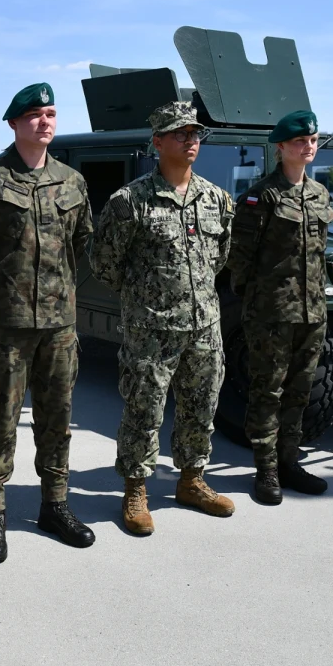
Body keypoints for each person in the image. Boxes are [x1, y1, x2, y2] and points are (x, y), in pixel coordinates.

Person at [0, 82, 95, 564]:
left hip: (59, 326)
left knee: (57, 421)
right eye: (33, 114)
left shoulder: (72, 183)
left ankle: (55, 504)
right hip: (5, 325)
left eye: (50, 113)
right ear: (14, 123)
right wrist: (2, 289)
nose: (44, 121)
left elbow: (83, 250)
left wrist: (58, 294)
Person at [91, 101, 236, 535]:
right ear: (157, 142)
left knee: (201, 406)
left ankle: (192, 480)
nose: (190, 140)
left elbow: (220, 259)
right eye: (180, 133)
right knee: (143, 410)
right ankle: (136, 488)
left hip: (205, 326)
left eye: (194, 134)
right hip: (150, 330)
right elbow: (105, 265)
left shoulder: (217, 199)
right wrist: (146, 300)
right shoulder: (128, 202)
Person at [227, 109, 333, 504]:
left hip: (312, 311)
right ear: (281, 148)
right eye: (300, 141)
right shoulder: (262, 197)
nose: (309, 147)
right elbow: (241, 258)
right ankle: (266, 469)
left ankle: (290, 461)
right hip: (271, 313)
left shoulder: (319, 194)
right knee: (267, 391)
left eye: (313, 140)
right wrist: (256, 299)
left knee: (300, 390)